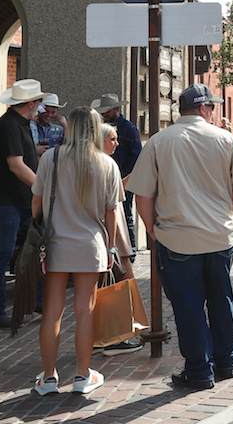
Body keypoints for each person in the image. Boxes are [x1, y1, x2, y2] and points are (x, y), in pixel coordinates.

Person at [129, 83, 233, 391]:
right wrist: (227, 214)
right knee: (222, 299)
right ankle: (226, 361)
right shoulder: (224, 138)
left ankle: (199, 370)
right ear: (205, 109)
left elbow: (142, 196)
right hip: (219, 236)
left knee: (189, 306)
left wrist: (153, 230)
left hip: (177, 237)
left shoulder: (159, 142)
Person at [31, 107, 123, 396]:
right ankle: (83, 376)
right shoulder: (107, 164)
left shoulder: (50, 158)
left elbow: (35, 204)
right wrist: (110, 247)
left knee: (52, 312)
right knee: (85, 310)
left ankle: (48, 378)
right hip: (91, 244)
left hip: (56, 243)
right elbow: (112, 214)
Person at [0, 79, 49, 330]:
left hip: (19, 201)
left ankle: (36, 301)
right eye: (39, 102)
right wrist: (42, 188)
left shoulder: (18, 124)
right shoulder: (9, 125)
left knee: (33, 252)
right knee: (2, 255)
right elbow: (16, 165)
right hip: (6, 203)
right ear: (30, 103)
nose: (41, 107)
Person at [94, 121, 143, 356]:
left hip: (111, 229)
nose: (116, 143)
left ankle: (111, 335)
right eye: (112, 139)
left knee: (116, 281)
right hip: (111, 230)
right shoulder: (105, 164)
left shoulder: (96, 163)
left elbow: (116, 193)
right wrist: (111, 245)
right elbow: (111, 202)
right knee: (118, 281)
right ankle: (115, 337)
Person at [94, 94, 142, 259]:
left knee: (125, 216)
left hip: (124, 180)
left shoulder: (129, 129)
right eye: (103, 111)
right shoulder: (100, 127)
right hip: (104, 179)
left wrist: (126, 181)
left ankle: (130, 253)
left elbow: (137, 158)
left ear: (117, 109)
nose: (104, 114)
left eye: (107, 111)